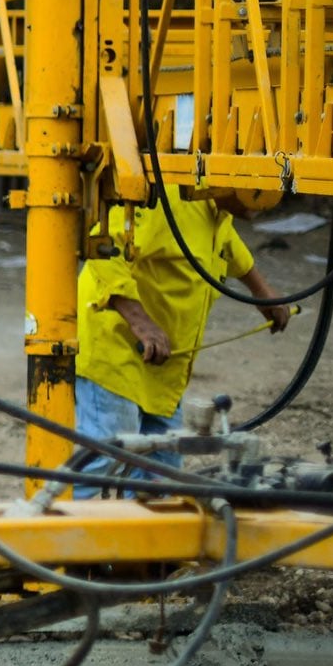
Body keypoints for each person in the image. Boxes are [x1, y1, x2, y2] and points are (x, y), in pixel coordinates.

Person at [75, 184, 290, 487]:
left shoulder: (215, 210)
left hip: (162, 365)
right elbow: (102, 252)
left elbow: (227, 245)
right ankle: (83, 531)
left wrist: (262, 292)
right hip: (115, 353)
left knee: (163, 478)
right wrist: (142, 323)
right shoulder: (164, 201)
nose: (264, 202)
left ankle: (151, 531)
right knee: (104, 468)